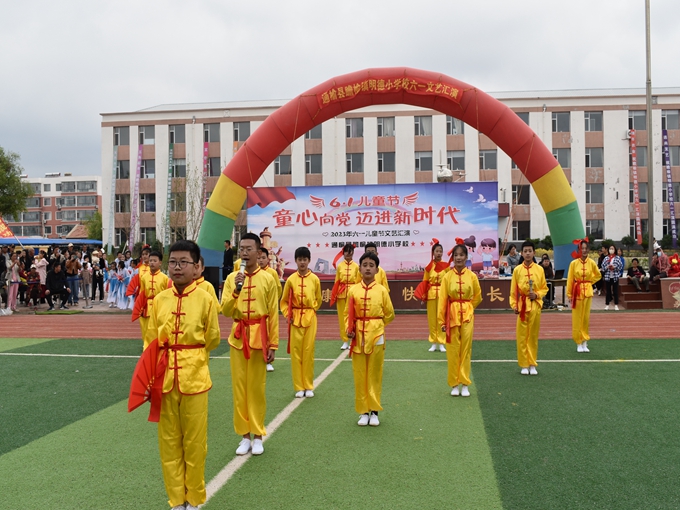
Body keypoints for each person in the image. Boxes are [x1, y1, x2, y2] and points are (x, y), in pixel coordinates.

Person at [144, 239, 220, 510]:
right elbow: (151, 342)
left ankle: (194, 499)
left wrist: (191, 356)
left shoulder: (206, 298)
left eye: (184, 262)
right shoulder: (159, 300)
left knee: (195, 444)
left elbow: (212, 338)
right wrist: (150, 377)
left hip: (195, 379)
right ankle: (176, 501)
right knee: (169, 443)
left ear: (197, 267)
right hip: (164, 379)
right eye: (173, 262)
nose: (177, 267)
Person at [221, 233, 279, 456]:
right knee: (239, 389)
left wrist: (272, 344)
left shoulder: (268, 279)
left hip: (259, 338)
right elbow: (226, 310)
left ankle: (258, 435)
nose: (244, 253)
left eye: (248, 249)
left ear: (258, 251)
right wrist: (236, 290)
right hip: (238, 337)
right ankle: (244, 436)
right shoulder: (232, 278)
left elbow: (273, 313)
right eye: (241, 249)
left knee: (256, 389)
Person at [346, 251, 394, 426]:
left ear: (377, 270)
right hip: (358, 336)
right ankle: (363, 411)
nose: (367, 268)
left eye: (371, 265)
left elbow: (390, 313)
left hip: (377, 336)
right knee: (359, 373)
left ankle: (374, 411)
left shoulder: (382, 290)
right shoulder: (353, 290)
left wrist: (378, 326)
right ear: (359, 268)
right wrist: (349, 328)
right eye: (364, 265)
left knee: (374, 373)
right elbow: (347, 314)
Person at [438, 242, 482, 397]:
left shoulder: (472, 276)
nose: (458, 258)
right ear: (452, 257)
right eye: (456, 255)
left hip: (467, 316)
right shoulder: (447, 277)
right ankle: (454, 384)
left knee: (466, 349)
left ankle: (465, 383)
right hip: (451, 316)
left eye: (461, 255)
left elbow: (478, 296)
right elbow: (442, 300)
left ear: (466, 257)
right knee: (452, 350)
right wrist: (442, 321)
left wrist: (469, 307)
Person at [280, 246, 321, 398]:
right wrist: (288, 314)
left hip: (310, 318)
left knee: (308, 352)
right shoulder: (291, 280)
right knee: (296, 353)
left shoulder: (315, 279)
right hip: (295, 319)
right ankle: (299, 386)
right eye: (299, 259)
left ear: (309, 261)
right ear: (296, 261)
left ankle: (308, 385)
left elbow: (318, 299)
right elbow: (284, 301)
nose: (302, 262)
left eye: (305, 259)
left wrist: (312, 309)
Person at [509, 240, 548, 375]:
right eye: (525, 251)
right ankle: (524, 364)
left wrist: (536, 295)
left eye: (530, 251)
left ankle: (532, 363)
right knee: (521, 336)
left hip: (535, 305)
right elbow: (513, 291)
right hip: (522, 306)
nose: (527, 254)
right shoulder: (517, 270)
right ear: (522, 253)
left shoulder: (539, 269)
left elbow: (544, 288)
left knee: (533, 335)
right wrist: (514, 305)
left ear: (534, 253)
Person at [566, 239, 601, 353]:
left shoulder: (592, 262)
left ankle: (585, 341)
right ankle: (578, 342)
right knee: (577, 318)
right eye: (582, 249)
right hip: (577, 292)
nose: (584, 251)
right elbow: (570, 279)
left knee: (586, 318)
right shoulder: (574, 263)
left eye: (586, 248)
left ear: (589, 249)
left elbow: (598, 275)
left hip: (588, 292)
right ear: (579, 250)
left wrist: (589, 282)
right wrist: (569, 294)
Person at [418, 241, 450, 352]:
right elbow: (425, 282)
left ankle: (441, 343)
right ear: (433, 253)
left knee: (441, 319)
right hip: (431, 295)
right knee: (432, 319)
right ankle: (433, 343)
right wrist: (423, 296)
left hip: (442, 294)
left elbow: (449, 281)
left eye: (440, 251)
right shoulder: (429, 267)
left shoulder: (446, 266)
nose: (439, 253)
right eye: (437, 251)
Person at [135, 250, 169, 350]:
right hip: (147, 306)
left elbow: (168, 294)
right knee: (146, 327)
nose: (152, 263)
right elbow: (142, 293)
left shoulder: (165, 278)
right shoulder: (144, 277)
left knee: (160, 326)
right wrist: (140, 307)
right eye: (150, 261)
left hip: (160, 306)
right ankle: (147, 346)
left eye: (155, 261)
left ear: (160, 262)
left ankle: (160, 344)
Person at [331, 243, 361, 350]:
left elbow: (359, 282)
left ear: (353, 252)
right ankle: (344, 341)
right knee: (342, 318)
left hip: (353, 294)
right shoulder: (340, 266)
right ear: (343, 253)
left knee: (353, 316)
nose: (348, 253)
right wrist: (334, 295)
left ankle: (354, 339)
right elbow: (337, 281)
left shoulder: (356, 266)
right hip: (341, 294)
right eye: (346, 251)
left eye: (350, 251)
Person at [601, 245, 623, 311]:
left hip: (615, 276)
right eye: (610, 248)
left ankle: (616, 305)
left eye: (612, 248)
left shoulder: (617, 258)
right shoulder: (606, 258)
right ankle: (607, 305)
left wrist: (614, 267)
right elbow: (603, 267)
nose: (611, 250)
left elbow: (620, 266)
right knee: (608, 291)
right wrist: (607, 267)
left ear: (615, 250)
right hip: (608, 277)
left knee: (615, 291)